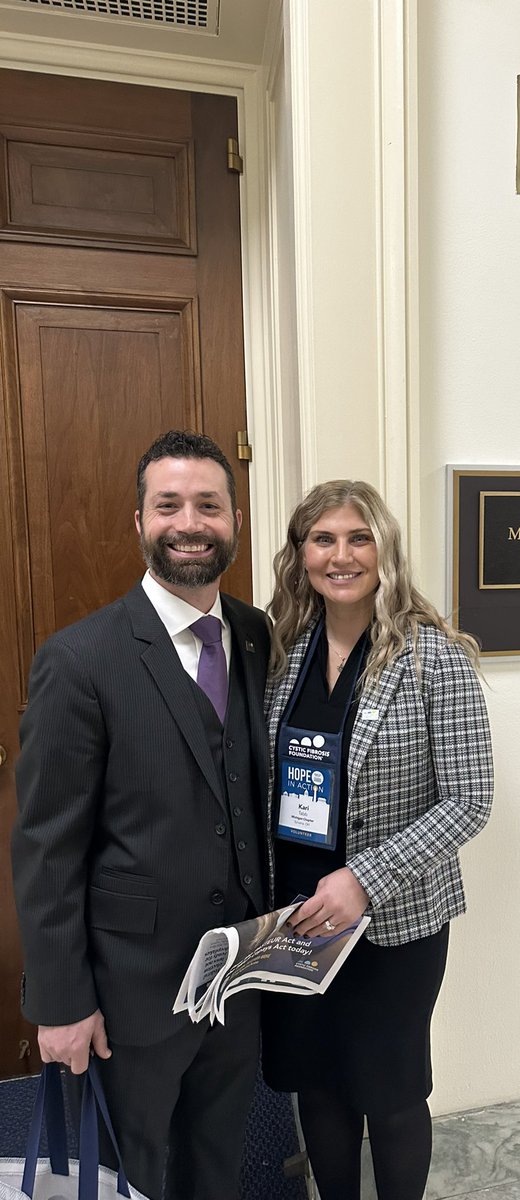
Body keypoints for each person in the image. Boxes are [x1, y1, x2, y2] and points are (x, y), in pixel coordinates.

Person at [11, 430, 271, 1200]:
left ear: (233, 520)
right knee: (136, 1175)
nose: (190, 522)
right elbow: (46, 847)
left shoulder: (254, 636)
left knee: (219, 1163)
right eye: (169, 505)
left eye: (209, 506)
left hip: (237, 980)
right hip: (130, 994)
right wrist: (60, 1003)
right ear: (138, 522)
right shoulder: (80, 658)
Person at [263, 480, 493, 1200]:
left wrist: (365, 876)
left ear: (384, 549)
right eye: (323, 539)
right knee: (317, 1083)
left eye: (357, 538)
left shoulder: (435, 657)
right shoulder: (279, 654)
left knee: (389, 1092)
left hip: (393, 920)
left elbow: (469, 800)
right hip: (298, 912)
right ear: (301, 555)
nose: (341, 555)